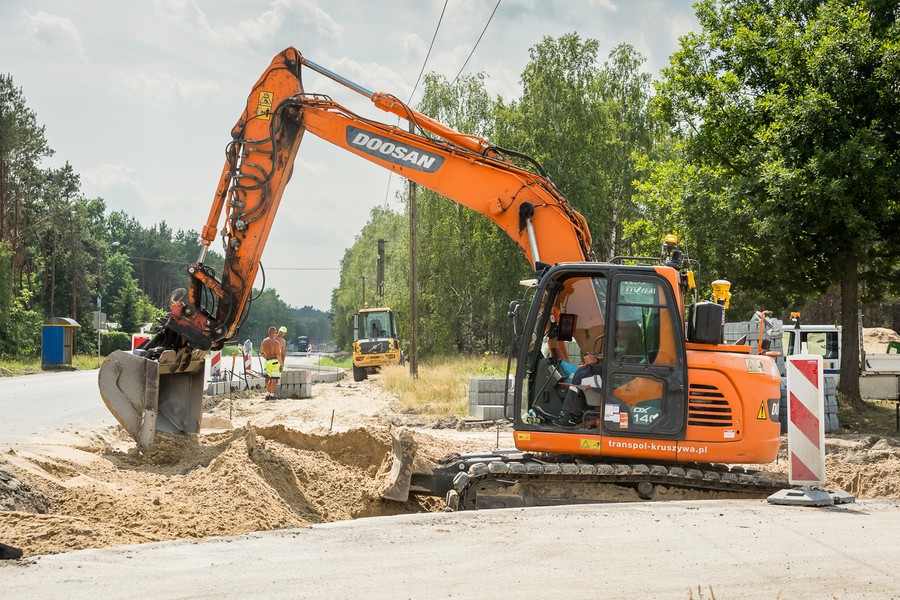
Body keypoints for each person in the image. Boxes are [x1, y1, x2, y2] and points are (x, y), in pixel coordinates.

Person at [552, 351, 602, 428]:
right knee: (580, 376)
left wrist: (596, 359)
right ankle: (570, 414)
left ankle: (571, 416)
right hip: (607, 370)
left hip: (608, 372)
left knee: (582, 373)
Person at [260, 326, 282, 400]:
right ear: (275, 333)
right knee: (273, 379)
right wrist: (281, 364)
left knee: (269, 379)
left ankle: (267, 394)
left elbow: (261, 352)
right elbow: (278, 354)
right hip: (275, 362)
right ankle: (272, 395)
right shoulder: (276, 343)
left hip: (267, 362)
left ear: (268, 332)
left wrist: (267, 358)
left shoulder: (264, 341)